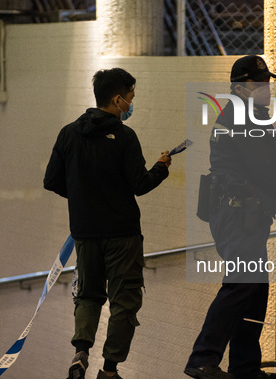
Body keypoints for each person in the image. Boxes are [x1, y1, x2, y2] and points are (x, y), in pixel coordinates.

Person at [44, 68, 171, 379]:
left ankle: (80, 354)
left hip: (85, 234)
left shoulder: (68, 133)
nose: (131, 103)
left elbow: (51, 181)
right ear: (117, 99)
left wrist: (82, 197)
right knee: (124, 302)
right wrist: (161, 167)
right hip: (122, 235)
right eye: (130, 97)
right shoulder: (125, 137)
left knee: (87, 295)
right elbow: (139, 184)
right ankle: (110, 370)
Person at [185, 56, 276, 379]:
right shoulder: (243, 116)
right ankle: (202, 358)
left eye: (267, 82)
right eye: (259, 83)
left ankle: (245, 367)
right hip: (237, 212)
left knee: (254, 289)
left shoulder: (242, 114)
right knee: (241, 284)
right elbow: (267, 170)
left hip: (240, 212)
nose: (266, 89)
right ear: (239, 87)